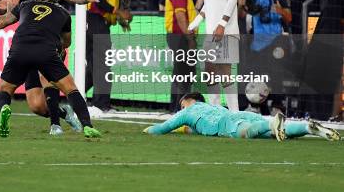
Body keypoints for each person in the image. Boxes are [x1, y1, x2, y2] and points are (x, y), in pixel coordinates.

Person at [0, 0, 97, 135]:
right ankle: (66, 115)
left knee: (42, 78)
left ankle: (55, 125)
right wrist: (9, 9)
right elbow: (6, 18)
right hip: (34, 50)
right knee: (37, 107)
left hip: (41, 49)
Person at [144, 92, 340, 141]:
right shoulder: (213, 107)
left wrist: (145, 131)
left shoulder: (188, 111)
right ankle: (308, 128)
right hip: (238, 114)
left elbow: (161, 128)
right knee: (275, 132)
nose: (181, 108)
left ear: (189, 100)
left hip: (227, 124)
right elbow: (192, 129)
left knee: (245, 134)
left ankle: (273, 125)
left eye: (182, 104)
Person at [188, 0, 240, 111]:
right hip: (211, 30)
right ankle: (215, 110)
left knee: (225, 73)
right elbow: (210, 1)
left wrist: (222, 24)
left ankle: (234, 113)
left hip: (225, 30)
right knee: (209, 70)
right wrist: (197, 20)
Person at [86, 0, 132, 113]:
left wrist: (119, 18)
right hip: (96, 21)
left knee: (94, 67)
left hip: (97, 22)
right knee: (102, 65)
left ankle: (74, 96)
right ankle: (101, 105)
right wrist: (119, 13)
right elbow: (99, 0)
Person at [164, 0, 197, 112]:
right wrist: (190, 38)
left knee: (181, 73)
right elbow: (180, 16)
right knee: (184, 73)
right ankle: (180, 108)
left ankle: (176, 107)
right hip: (180, 36)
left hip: (178, 36)